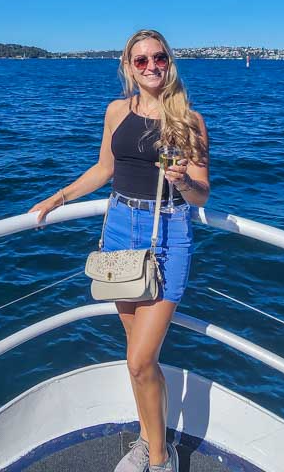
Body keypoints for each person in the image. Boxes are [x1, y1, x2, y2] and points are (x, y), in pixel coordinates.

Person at [29, 28, 210, 472]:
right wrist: (59, 197)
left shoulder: (190, 120)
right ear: (128, 67)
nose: (151, 66)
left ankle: (160, 459)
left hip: (168, 233)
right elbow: (104, 168)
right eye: (141, 60)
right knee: (140, 360)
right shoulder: (116, 111)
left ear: (170, 62)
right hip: (119, 228)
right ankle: (150, 440)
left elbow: (202, 193)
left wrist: (184, 182)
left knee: (139, 359)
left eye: (159, 58)